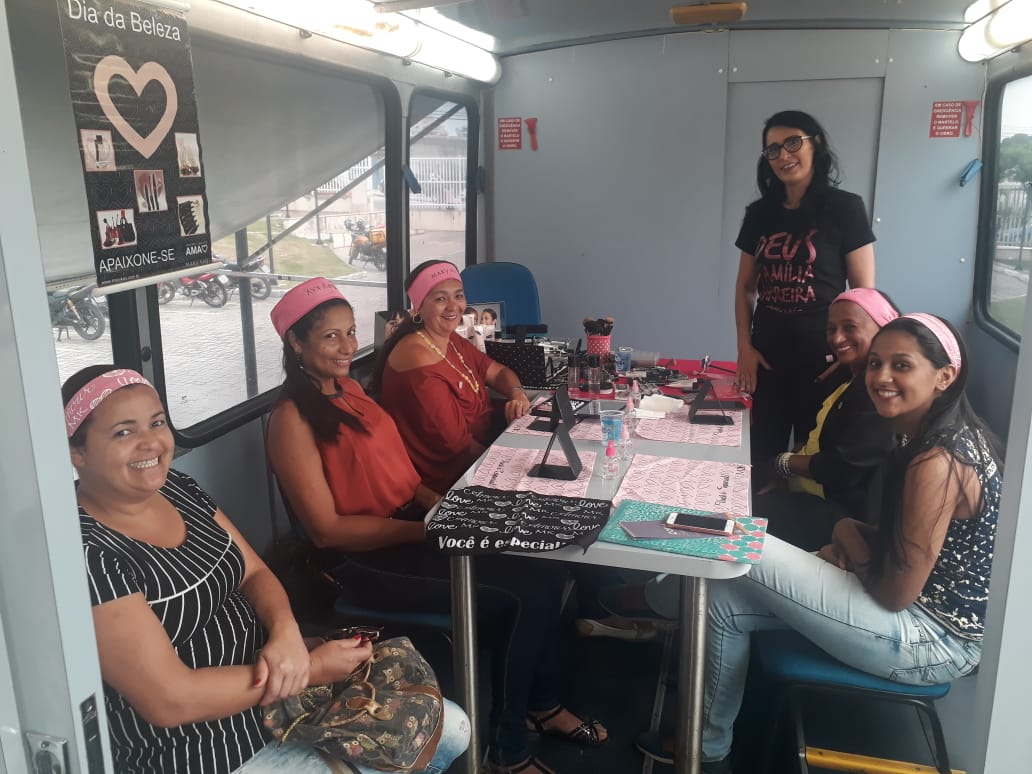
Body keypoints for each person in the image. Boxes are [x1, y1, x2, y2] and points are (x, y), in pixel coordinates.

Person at [265, 278, 608, 774]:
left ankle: (542, 705)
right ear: (296, 343)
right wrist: (428, 530)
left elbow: (405, 478)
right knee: (525, 593)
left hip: (411, 526)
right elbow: (327, 531)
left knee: (546, 569)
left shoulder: (351, 390)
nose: (347, 347)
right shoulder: (291, 420)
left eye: (351, 332)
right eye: (330, 337)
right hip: (360, 560)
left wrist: (446, 507)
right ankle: (508, 749)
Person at [637, 314, 1002, 773]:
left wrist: (846, 535)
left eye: (902, 365)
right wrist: (850, 542)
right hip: (916, 613)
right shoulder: (937, 434)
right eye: (876, 364)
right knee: (723, 600)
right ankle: (706, 748)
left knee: (748, 545)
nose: (881, 377)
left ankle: (653, 591)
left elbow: (896, 593)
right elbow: (911, 544)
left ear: (944, 376)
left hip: (932, 642)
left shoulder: (937, 460)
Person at [63, 365, 469, 774]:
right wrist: (309, 671)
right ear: (76, 452)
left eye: (157, 423)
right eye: (123, 432)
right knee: (425, 742)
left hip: (283, 699)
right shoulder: (88, 553)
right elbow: (169, 700)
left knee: (451, 727)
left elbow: (254, 572)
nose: (151, 442)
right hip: (209, 749)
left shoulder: (177, 488)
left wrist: (286, 634)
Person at [734, 110, 876, 471]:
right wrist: (744, 347)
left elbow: (864, 295)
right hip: (766, 356)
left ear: (817, 145)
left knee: (814, 454)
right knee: (759, 454)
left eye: (793, 143)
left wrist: (855, 355)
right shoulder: (759, 214)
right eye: (773, 149)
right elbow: (746, 287)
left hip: (825, 358)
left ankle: (797, 509)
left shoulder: (845, 208)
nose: (783, 155)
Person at [754, 287, 900, 549]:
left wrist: (782, 464)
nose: (837, 337)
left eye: (849, 327)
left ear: (883, 330)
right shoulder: (845, 377)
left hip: (841, 518)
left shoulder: (878, 394)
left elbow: (842, 467)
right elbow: (813, 435)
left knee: (739, 509)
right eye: (831, 329)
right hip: (809, 491)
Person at [373, 261, 532, 493]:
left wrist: (517, 394)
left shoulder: (448, 339)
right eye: (440, 299)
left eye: (458, 296)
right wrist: (515, 467)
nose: (453, 306)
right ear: (419, 307)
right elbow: (460, 448)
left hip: (486, 451)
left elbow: (497, 372)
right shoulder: (417, 357)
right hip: (455, 480)